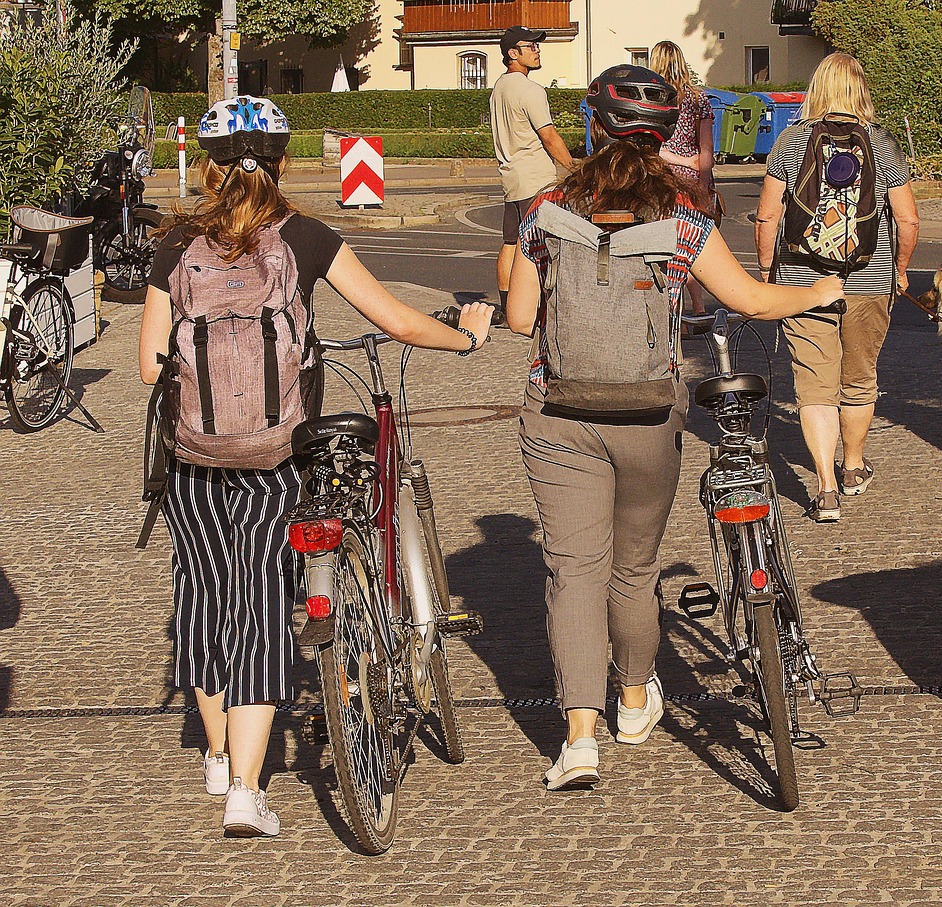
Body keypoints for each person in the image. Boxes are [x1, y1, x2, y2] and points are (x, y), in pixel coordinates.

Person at [138, 96, 493, 838]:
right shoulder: (304, 237)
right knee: (263, 602)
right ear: (280, 163)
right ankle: (246, 792)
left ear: (206, 169)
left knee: (204, 595)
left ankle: (216, 755)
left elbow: (148, 365)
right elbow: (394, 319)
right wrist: (464, 339)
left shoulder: (174, 245)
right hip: (277, 454)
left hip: (194, 459)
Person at [506, 65, 845, 790]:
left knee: (574, 570)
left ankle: (579, 739)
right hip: (648, 414)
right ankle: (633, 703)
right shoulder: (683, 219)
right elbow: (752, 301)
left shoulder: (544, 211)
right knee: (633, 567)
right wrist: (820, 288)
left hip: (558, 413)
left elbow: (517, 317)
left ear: (594, 126)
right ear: (663, 138)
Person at [754, 53, 920, 523]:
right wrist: (900, 269)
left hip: (802, 282)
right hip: (869, 280)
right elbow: (907, 219)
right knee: (859, 378)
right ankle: (853, 467)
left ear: (817, 88)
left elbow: (767, 216)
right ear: (860, 90)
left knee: (814, 387)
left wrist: (767, 271)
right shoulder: (881, 144)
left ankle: (826, 489)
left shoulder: (792, 140)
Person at [490, 25, 576, 320]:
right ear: (513, 53)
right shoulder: (531, 90)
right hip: (537, 180)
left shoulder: (499, 88)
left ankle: (506, 306)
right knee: (542, 243)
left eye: (537, 46)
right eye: (531, 47)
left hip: (511, 178)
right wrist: (573, 168)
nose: (537, 51)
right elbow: (549, 135)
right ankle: (539, 306)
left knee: (511, 242)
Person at [651, 40, 715, 315]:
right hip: (691, 180)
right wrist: (703, 185)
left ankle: (673, 312)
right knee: (692, 245)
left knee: (665, 251)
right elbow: (706, 150)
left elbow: (652, 149)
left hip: (659, 179)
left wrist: (676, 160)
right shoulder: (698, 99)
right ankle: (698, 308)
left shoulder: (652, 98)